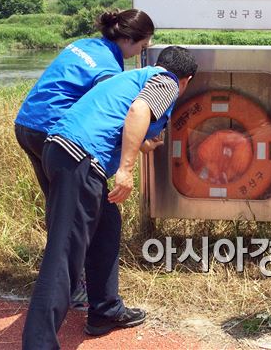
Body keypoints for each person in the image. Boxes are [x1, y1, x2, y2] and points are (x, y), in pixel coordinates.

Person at [21, 46, 198, 350]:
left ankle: (104, 311)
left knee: (106, 227)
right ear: (187, 81)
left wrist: (141, 143)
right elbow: (139, 111)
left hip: (64, 151)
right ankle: (39, 344)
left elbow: (115, 117)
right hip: (79, 158)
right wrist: (127, 170)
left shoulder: (136, 76)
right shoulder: (167, 81)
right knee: (63, 254)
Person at [14, 8, 154, 306]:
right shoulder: (108, 70)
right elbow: (107, 114)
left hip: (27, 125)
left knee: (59, 209)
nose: (140, 53)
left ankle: (69, 285)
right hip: (54, 133)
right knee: (85, 217)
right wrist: (140, 141)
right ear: (128, 39)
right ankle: (75, 290)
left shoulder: (85, 44)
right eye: (142, 47)